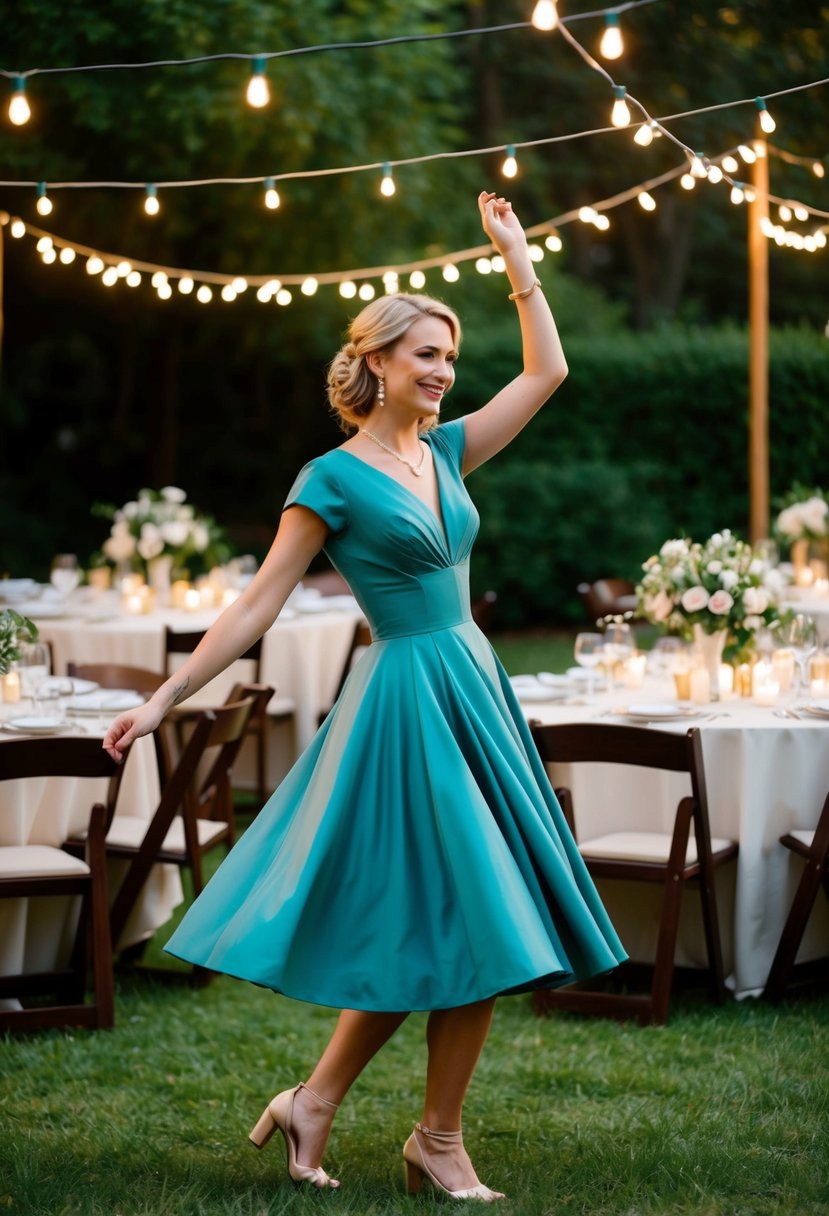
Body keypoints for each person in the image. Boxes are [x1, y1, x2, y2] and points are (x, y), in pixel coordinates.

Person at [104, 191, 626, 1201]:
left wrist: (516, 259)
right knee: (466, 913)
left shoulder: (444, 450)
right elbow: (258, 603)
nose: (441, 370)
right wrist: (165, 694)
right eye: (424, 354)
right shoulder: (329, 480)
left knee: (468, 916)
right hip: (404, 706)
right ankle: (412, 1131)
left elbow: (547, 370)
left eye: (448, 356)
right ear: (377, 360)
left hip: (472, 684)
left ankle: (357, 1112)